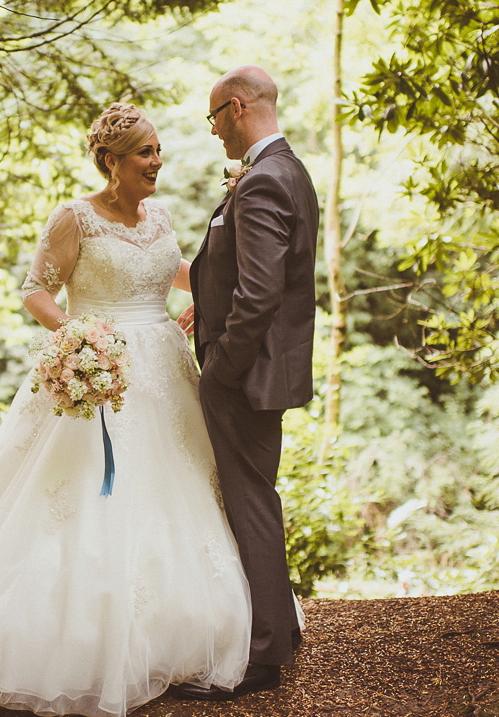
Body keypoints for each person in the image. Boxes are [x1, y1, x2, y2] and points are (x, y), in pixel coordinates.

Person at [0, 103, 252, 717]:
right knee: (83, 496)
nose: (157, 162)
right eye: (145, 152)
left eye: (158, 149)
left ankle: (178, 632)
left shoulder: (160, 215)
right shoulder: (74, 218)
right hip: (97, 370)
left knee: (181, 489)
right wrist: (79, 339)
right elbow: (35, 289)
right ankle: (75, 640)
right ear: (111, 161)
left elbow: (177, 274)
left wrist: (213, 300)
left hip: (165, 367)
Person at [175, 65, 319, 701]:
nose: (214, 134)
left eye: (213, 119)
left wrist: (220, 372)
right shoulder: (286, 171)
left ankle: (262, 660)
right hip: (265, 369)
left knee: (251, 503)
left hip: (247, 375)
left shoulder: (261, 182)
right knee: (258, 496)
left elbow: (260, 294)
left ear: (235, 108)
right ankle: (280, 632)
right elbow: (243, 274)